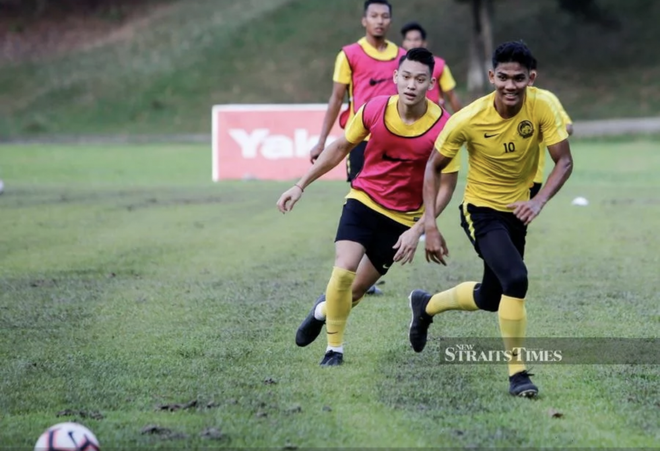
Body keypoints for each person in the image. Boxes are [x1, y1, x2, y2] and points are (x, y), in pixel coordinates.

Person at [409, 41, 574, 397]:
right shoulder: (467, 119)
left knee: (492, 297)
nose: (510, 86)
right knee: (516, 279)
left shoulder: (543, 106)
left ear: (531, 78)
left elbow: (564, 160)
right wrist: (431, 226)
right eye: (502, 77)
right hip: (480, 210)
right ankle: (518, 375)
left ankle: (426, 305)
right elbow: (433, 167)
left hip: (520, 210)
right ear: (491, 76)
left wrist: (540, 200)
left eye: (518, 78)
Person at [277, 48, 459, 366]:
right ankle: (334, 349)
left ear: (431, 83)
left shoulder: (444, 126)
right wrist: (300, 184)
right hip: (363, 201)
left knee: (357, 291)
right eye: (405, 77)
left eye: (419, 79)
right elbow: (340, 147)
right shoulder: (375, 108)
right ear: (395, 78)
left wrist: (419, 228)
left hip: (402, 219)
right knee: (344, 269)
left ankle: (321, 311)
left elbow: (448, 184)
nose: (411, 85)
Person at [528, 58, 574, 198]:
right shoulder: (498, 101)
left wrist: (544, 129)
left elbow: (568, 127)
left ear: (531, 76)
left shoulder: (545, 99)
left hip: (532, 178)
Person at [400, 21, 462, 113]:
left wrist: (461, 122)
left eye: (416, 39)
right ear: (404, 43)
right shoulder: (396, 64)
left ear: (424, 43)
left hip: (434, 117)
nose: (412, 43)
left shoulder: (439, 65)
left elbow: (451, 96)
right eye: (409, 40)